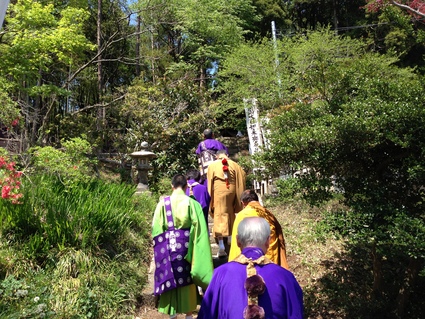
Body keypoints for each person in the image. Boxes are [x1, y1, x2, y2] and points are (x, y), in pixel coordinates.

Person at [197, 217, 304, 319]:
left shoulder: (220, 274)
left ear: (238, 241)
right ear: (268, 241)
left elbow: (207, 314)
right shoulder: (285, 277)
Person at [152, 174, 214, 319]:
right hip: (187, 247)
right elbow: (200, 230)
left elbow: (156, 229)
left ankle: (172, 314)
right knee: (187, 280)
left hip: (167, 247)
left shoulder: (162, 204)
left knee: (170, 276)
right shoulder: (192, 203)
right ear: (187, 187)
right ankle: (188, 315)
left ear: (171, 186)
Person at [229, 189, 289, 269]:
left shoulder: (241, 216)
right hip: (268, 263)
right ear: (257, 200)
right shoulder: (268, 214)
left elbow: (236, 247)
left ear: (243, 203)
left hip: (246, 265)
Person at [207, 150, 246, 257]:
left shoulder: (213, 165)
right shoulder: (235, 164)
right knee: (230, 212)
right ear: (227, 155)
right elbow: (242, 176)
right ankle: (229, 238)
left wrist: (210, 197)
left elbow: (209, 181)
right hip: (232, 191)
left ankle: (221, 245)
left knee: (219, 215)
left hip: (218, 192)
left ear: (216, 156)